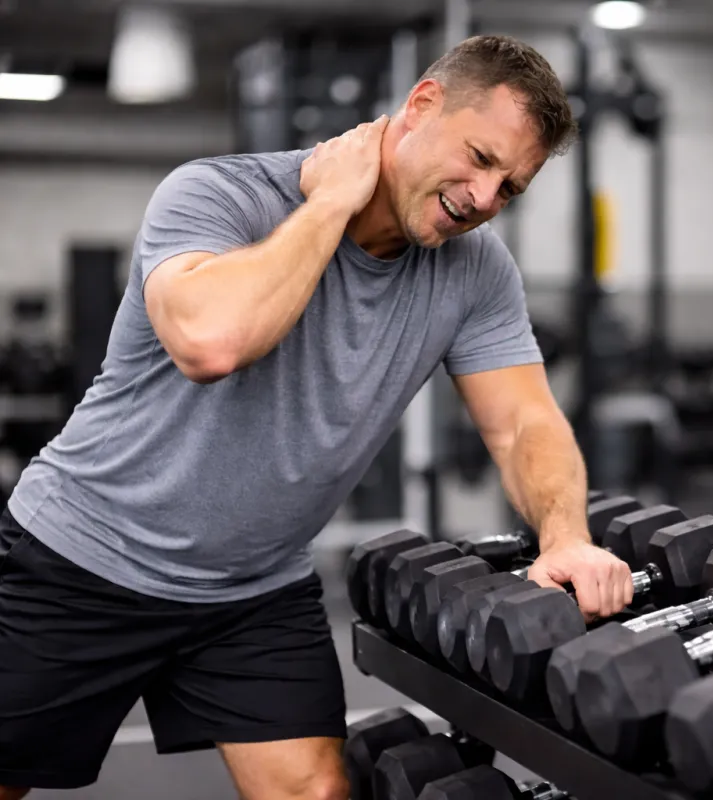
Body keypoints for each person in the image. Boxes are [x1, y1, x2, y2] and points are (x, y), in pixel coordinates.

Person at [0, 34, 633, 800]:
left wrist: (566, 536)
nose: (482, 197)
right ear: (421, 106)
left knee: (316, 793)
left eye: (510, 187)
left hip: (252, 592)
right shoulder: (218, 194)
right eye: (479, 158)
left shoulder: (477, 271)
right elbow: (211, 342)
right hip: (84, 558)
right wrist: (331, 202)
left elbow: (524, 421)